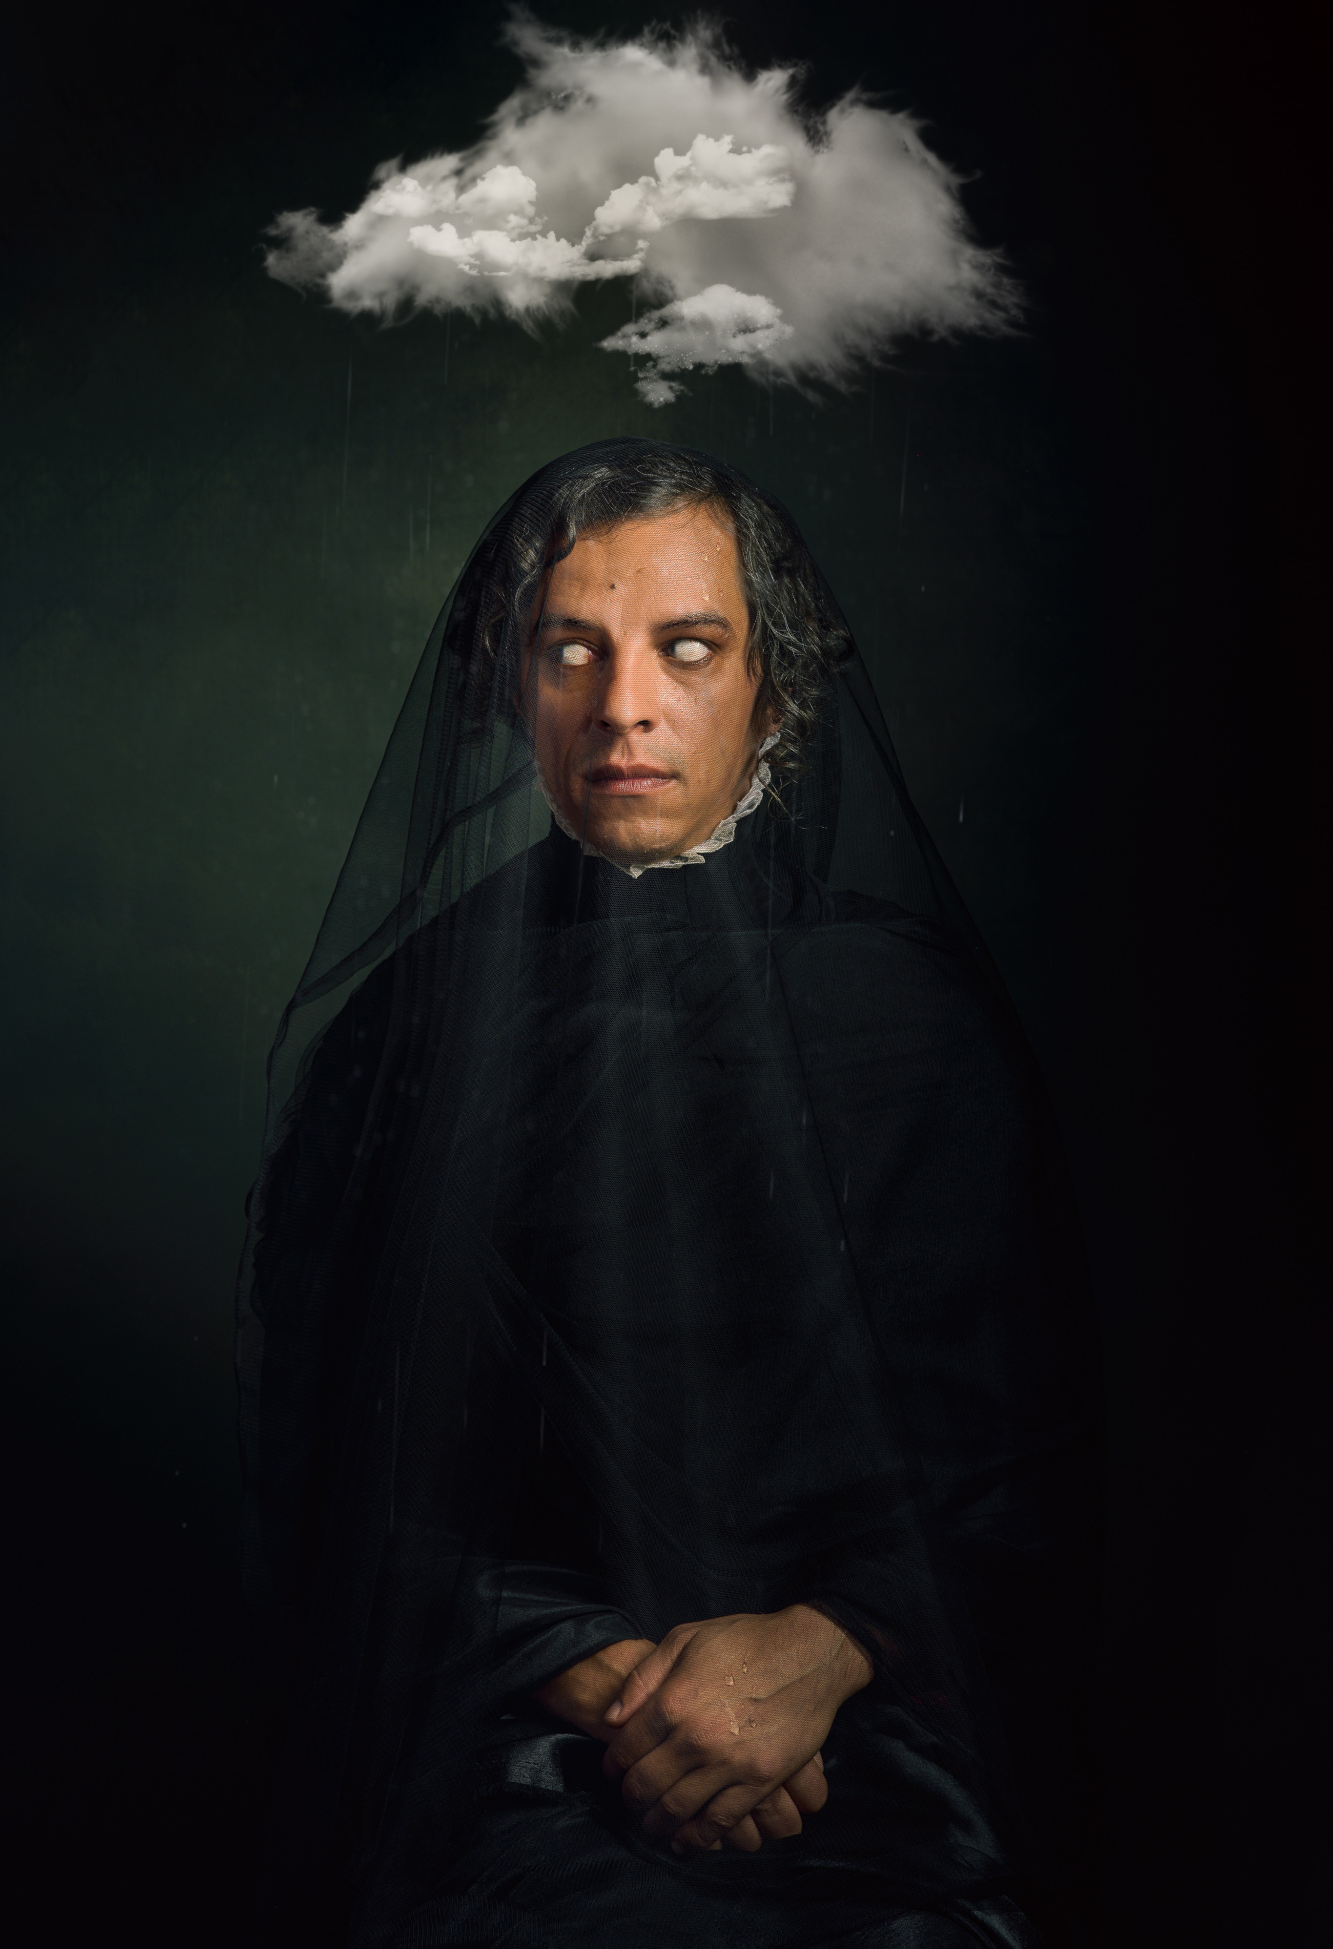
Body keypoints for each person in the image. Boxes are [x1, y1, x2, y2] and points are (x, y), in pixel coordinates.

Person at [238, 440, 1101, 1949]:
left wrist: (824, 1650)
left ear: (773, 683)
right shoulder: (407, 1027)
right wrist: (605, 1689)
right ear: (512, 688)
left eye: (687, 648)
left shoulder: (911, 1022)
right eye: (569, 648)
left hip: (871, 1749)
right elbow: (349, 1463)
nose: (622, 706)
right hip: (518, 1741)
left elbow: (1017, 1461)